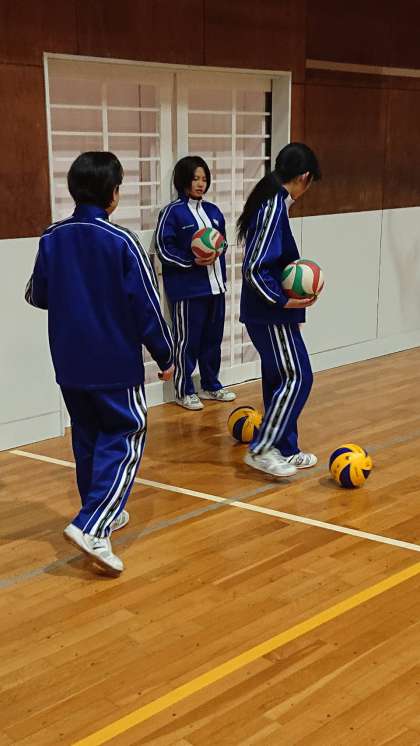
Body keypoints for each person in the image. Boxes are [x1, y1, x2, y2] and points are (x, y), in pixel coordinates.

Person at [25, 151, 174, 576]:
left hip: (69, 362)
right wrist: (166, 355)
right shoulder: (121, 241)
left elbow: (37, 295)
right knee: (127, 432)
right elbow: (147, 307)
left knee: (88, 436)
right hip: (114, 362)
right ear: (113, 193)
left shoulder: (51, 238)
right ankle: (92, 525)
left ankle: (100, 510)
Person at [237, 142, 321, 478]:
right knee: (299, 376)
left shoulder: (273, 203)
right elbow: (254, 268)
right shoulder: (273, 206)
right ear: (304, 177)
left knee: (278, 378)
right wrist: (283, 300)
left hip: (269, 313)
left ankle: (286, 448)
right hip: (270, 314)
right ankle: (261, 449)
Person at [155, 155, 236, 410]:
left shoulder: (213, 212)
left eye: (204, 179)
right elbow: (163, 248)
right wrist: (192, 260)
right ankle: (184, 390)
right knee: (186, 342)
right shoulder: (172, 212)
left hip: (216, 288)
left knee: (212, 341)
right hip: (188, 291)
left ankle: (211, 384)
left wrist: (217, 250)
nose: (201, 184)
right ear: (183, 180)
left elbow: (222, 243)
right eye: (195, 179)